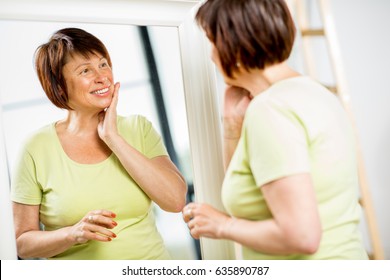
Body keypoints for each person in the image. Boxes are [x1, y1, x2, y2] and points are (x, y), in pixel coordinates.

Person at [182, 0, 368, 260]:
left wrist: (221, 225)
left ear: (232, 42)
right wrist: (233, 125)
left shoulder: (270, 110)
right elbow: (250, 196)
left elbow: (302, 236)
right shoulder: (316, 92)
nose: (210, 53)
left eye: (211, 40)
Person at [10, 28, 187, 260]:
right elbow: (22, 243)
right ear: (59, 86)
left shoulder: (138, 128)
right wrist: (72, 234)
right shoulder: (36, 148)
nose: (102, 76)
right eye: (85, 70)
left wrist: (114, 139)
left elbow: (175, 200)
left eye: (103, 64)